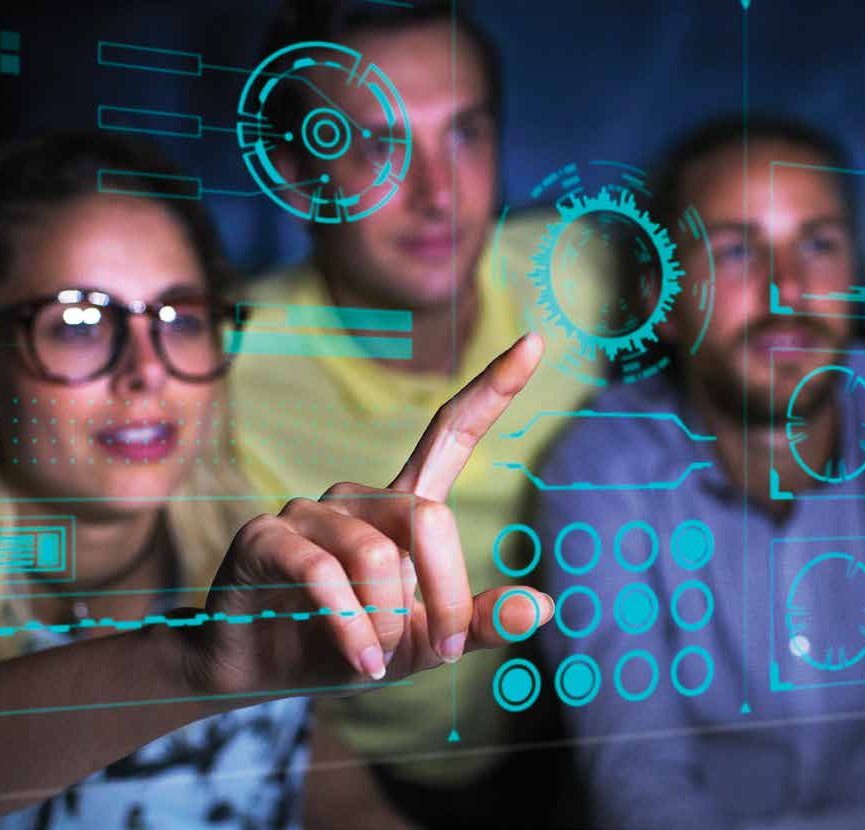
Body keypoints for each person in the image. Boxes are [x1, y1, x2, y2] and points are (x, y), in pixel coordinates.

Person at [0, 131, 556, 829]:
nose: (147, 371)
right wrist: (188, 664)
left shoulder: (247, 538)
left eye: (180, 318)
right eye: (80, 323)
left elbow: (322, 783)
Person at [231, 2, 604, 825]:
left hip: (591, 745)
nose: (439, 195)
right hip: (364, 781)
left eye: (465, 133)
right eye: (376, 144)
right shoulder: (206, 366)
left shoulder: (587, 274)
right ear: (294, 174)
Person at [537, 115, 865, 829]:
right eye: (736, 250)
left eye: (818, 244)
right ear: (658, 301)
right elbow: (635, 770)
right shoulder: (598, 469)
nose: (787, 289)